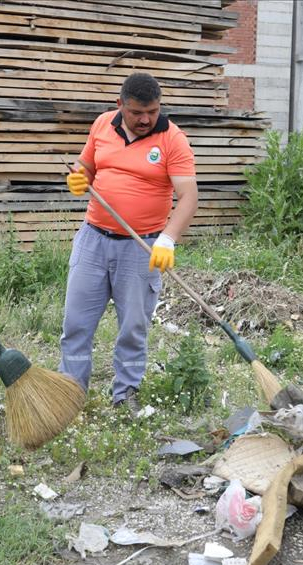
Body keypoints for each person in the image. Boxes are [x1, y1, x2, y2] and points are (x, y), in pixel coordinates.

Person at [61, 72, 199, 410]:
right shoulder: (103, 124)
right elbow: (86, 166)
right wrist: (78, 178)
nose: (145, 119)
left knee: (133, 328)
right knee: (76, 324)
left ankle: (126, 395)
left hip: (142, 247)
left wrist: (167, 239)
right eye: (137, 112)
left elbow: (189, 196)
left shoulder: (172, 139)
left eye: (152, 111)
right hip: (93, 239)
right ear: (120, 104)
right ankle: (70, 394)